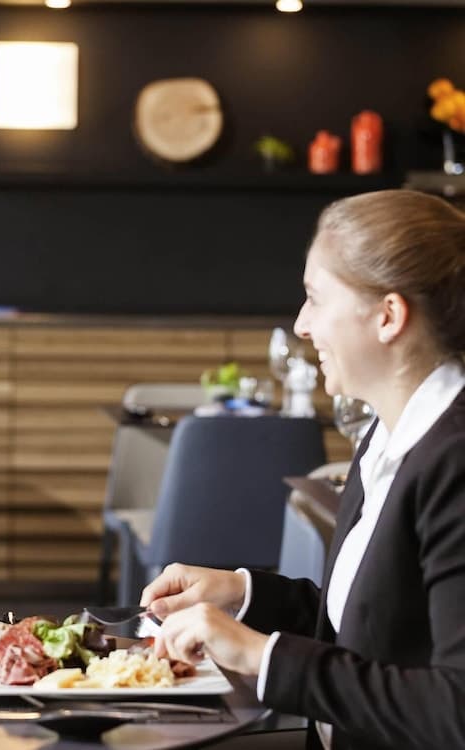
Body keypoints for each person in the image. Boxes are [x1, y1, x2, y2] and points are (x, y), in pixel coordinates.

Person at [140, 190, 465, 750]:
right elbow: (375, 623)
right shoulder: (387, 435)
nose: (302, 324)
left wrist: (258, 655)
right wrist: (240, 593)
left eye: (315, 298)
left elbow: (455, 710)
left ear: (388, 316)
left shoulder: (454, 461)